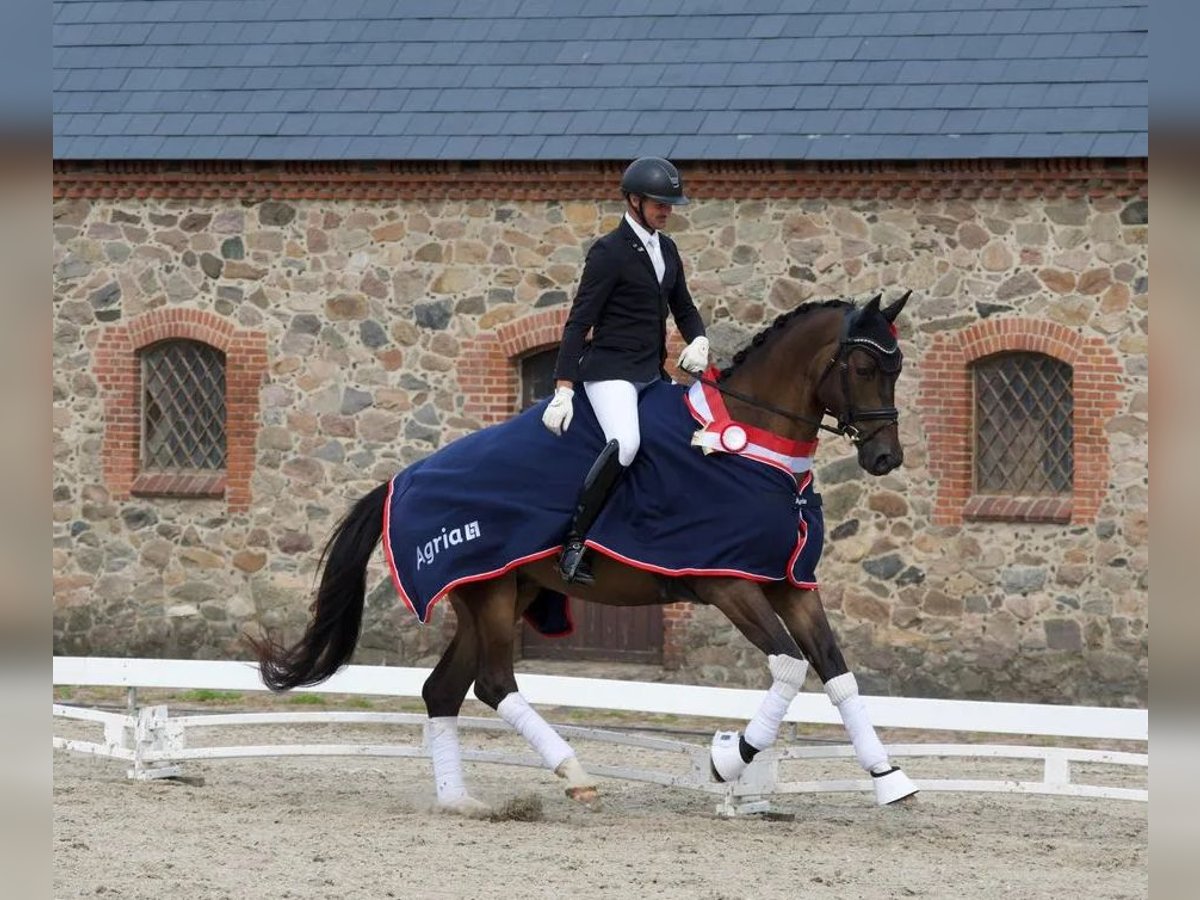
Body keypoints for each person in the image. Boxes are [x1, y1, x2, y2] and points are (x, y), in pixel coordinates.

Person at [541, 156, 710, 585]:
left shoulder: (666, 249)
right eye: (659, 203)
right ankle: (574, 543)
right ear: (634, 200)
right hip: (610, 371)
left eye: (671, 204)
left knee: (687, 433)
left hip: (651, 372)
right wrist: (563, 387)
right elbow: (580, 320)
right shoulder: (609, 251)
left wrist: (699, 339)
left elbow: (684, 307)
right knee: (628, 443)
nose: (667, 210)